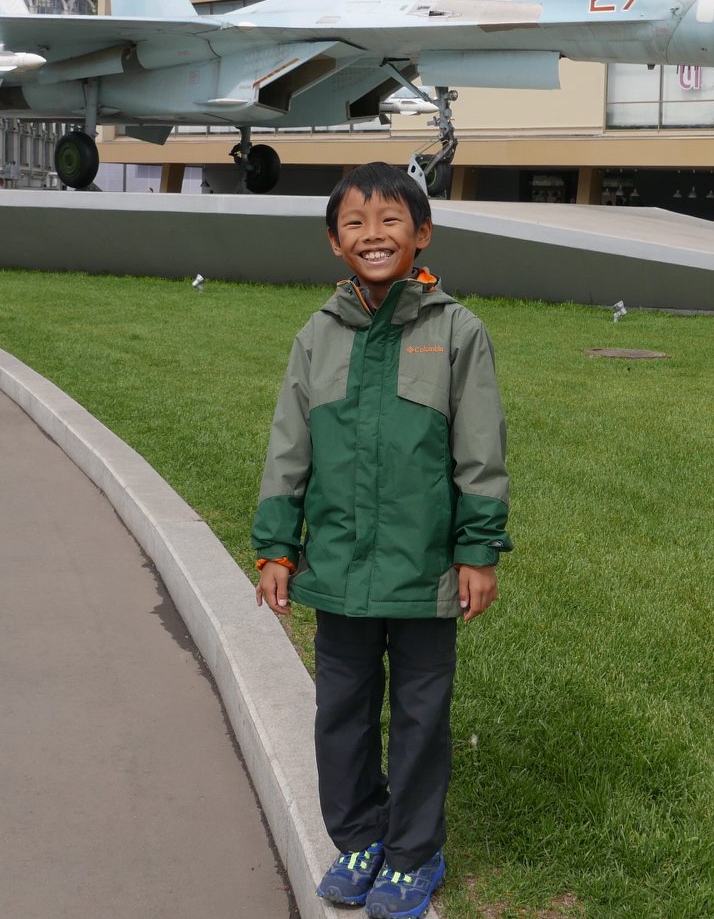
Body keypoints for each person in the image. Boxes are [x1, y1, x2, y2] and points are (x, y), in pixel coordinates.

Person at [253, 161, 512, 917]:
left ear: (421, 234)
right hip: (338, 571)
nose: (374, 235)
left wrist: (477, 552)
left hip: (426, 573)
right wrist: (276, 546)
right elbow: (288, 450)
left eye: (391, 220)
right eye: (356, 224)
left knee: (423, 717)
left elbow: (480, 453)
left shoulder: (456, 332)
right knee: (342, 711)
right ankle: (361, 836)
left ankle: (413, 852)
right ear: (335, 241)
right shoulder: (317, 336)